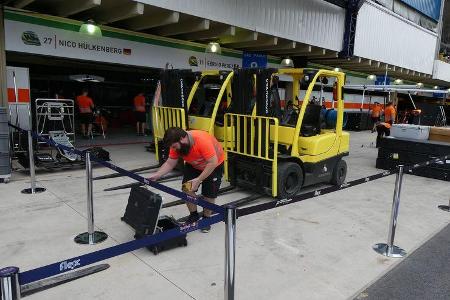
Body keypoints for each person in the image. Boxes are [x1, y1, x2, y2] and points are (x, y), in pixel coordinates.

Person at [148, 127, 224, 233]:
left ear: (182, 138)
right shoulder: (176, 145)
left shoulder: (201, 140)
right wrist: (157, 174)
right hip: (193, 165)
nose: (173, 149)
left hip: (213, 166)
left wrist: (199, 179)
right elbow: (170, 163)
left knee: (209, 194)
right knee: (186, 189)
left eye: (174, 146)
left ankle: (207, 218)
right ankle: (193, 215)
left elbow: (212, 162)